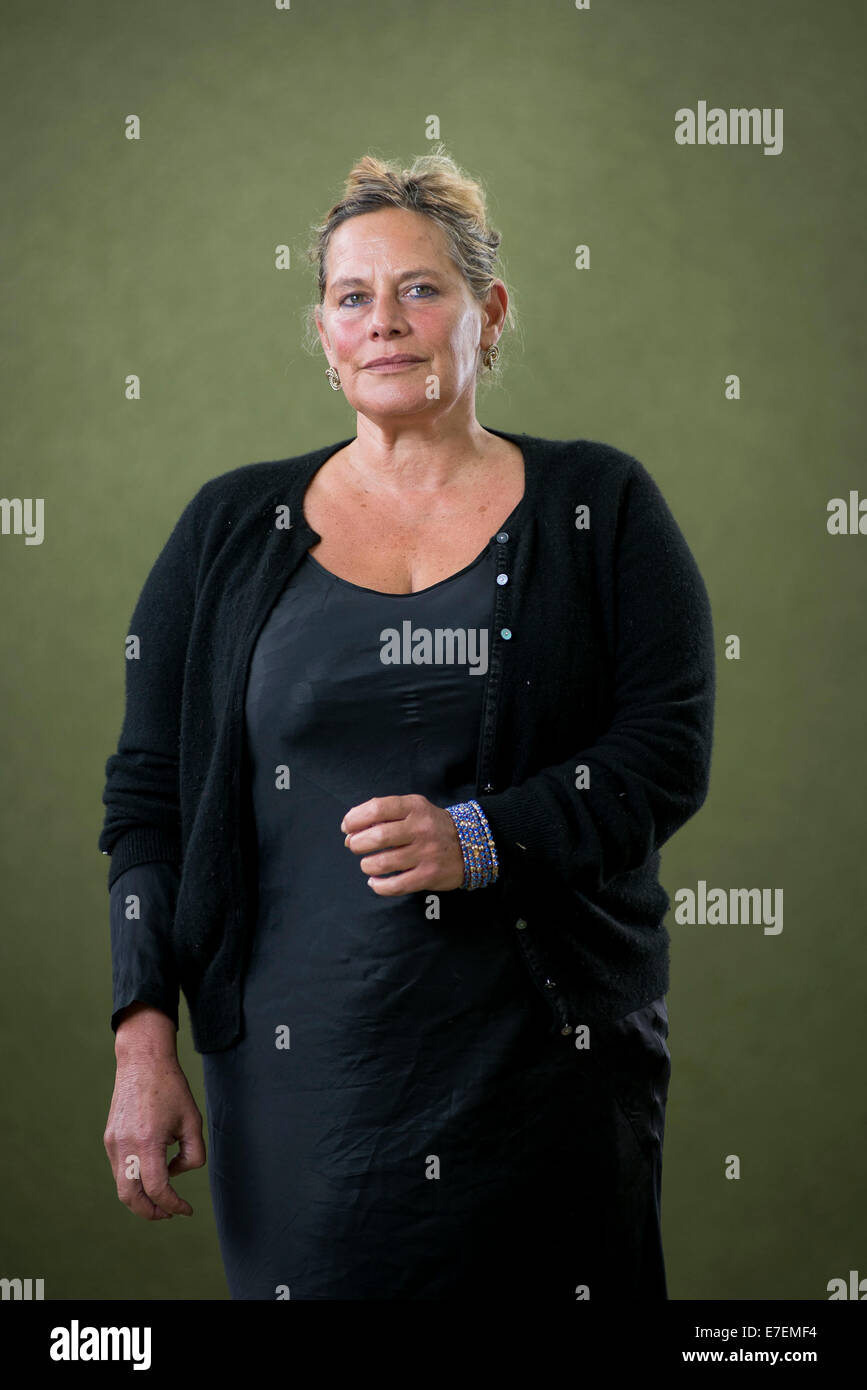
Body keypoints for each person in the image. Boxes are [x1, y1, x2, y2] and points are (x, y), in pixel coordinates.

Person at [100, 147, 715, 1300]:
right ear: (325, 336)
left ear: (486, 313)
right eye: (352, 297)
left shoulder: (599, 504)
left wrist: (478, 837)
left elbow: (666, 753)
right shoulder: (228, 529)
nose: (385, 321)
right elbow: (146, 794)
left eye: (420, 290)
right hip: (300, 1079)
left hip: (549, 1066)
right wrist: (143, 1038)